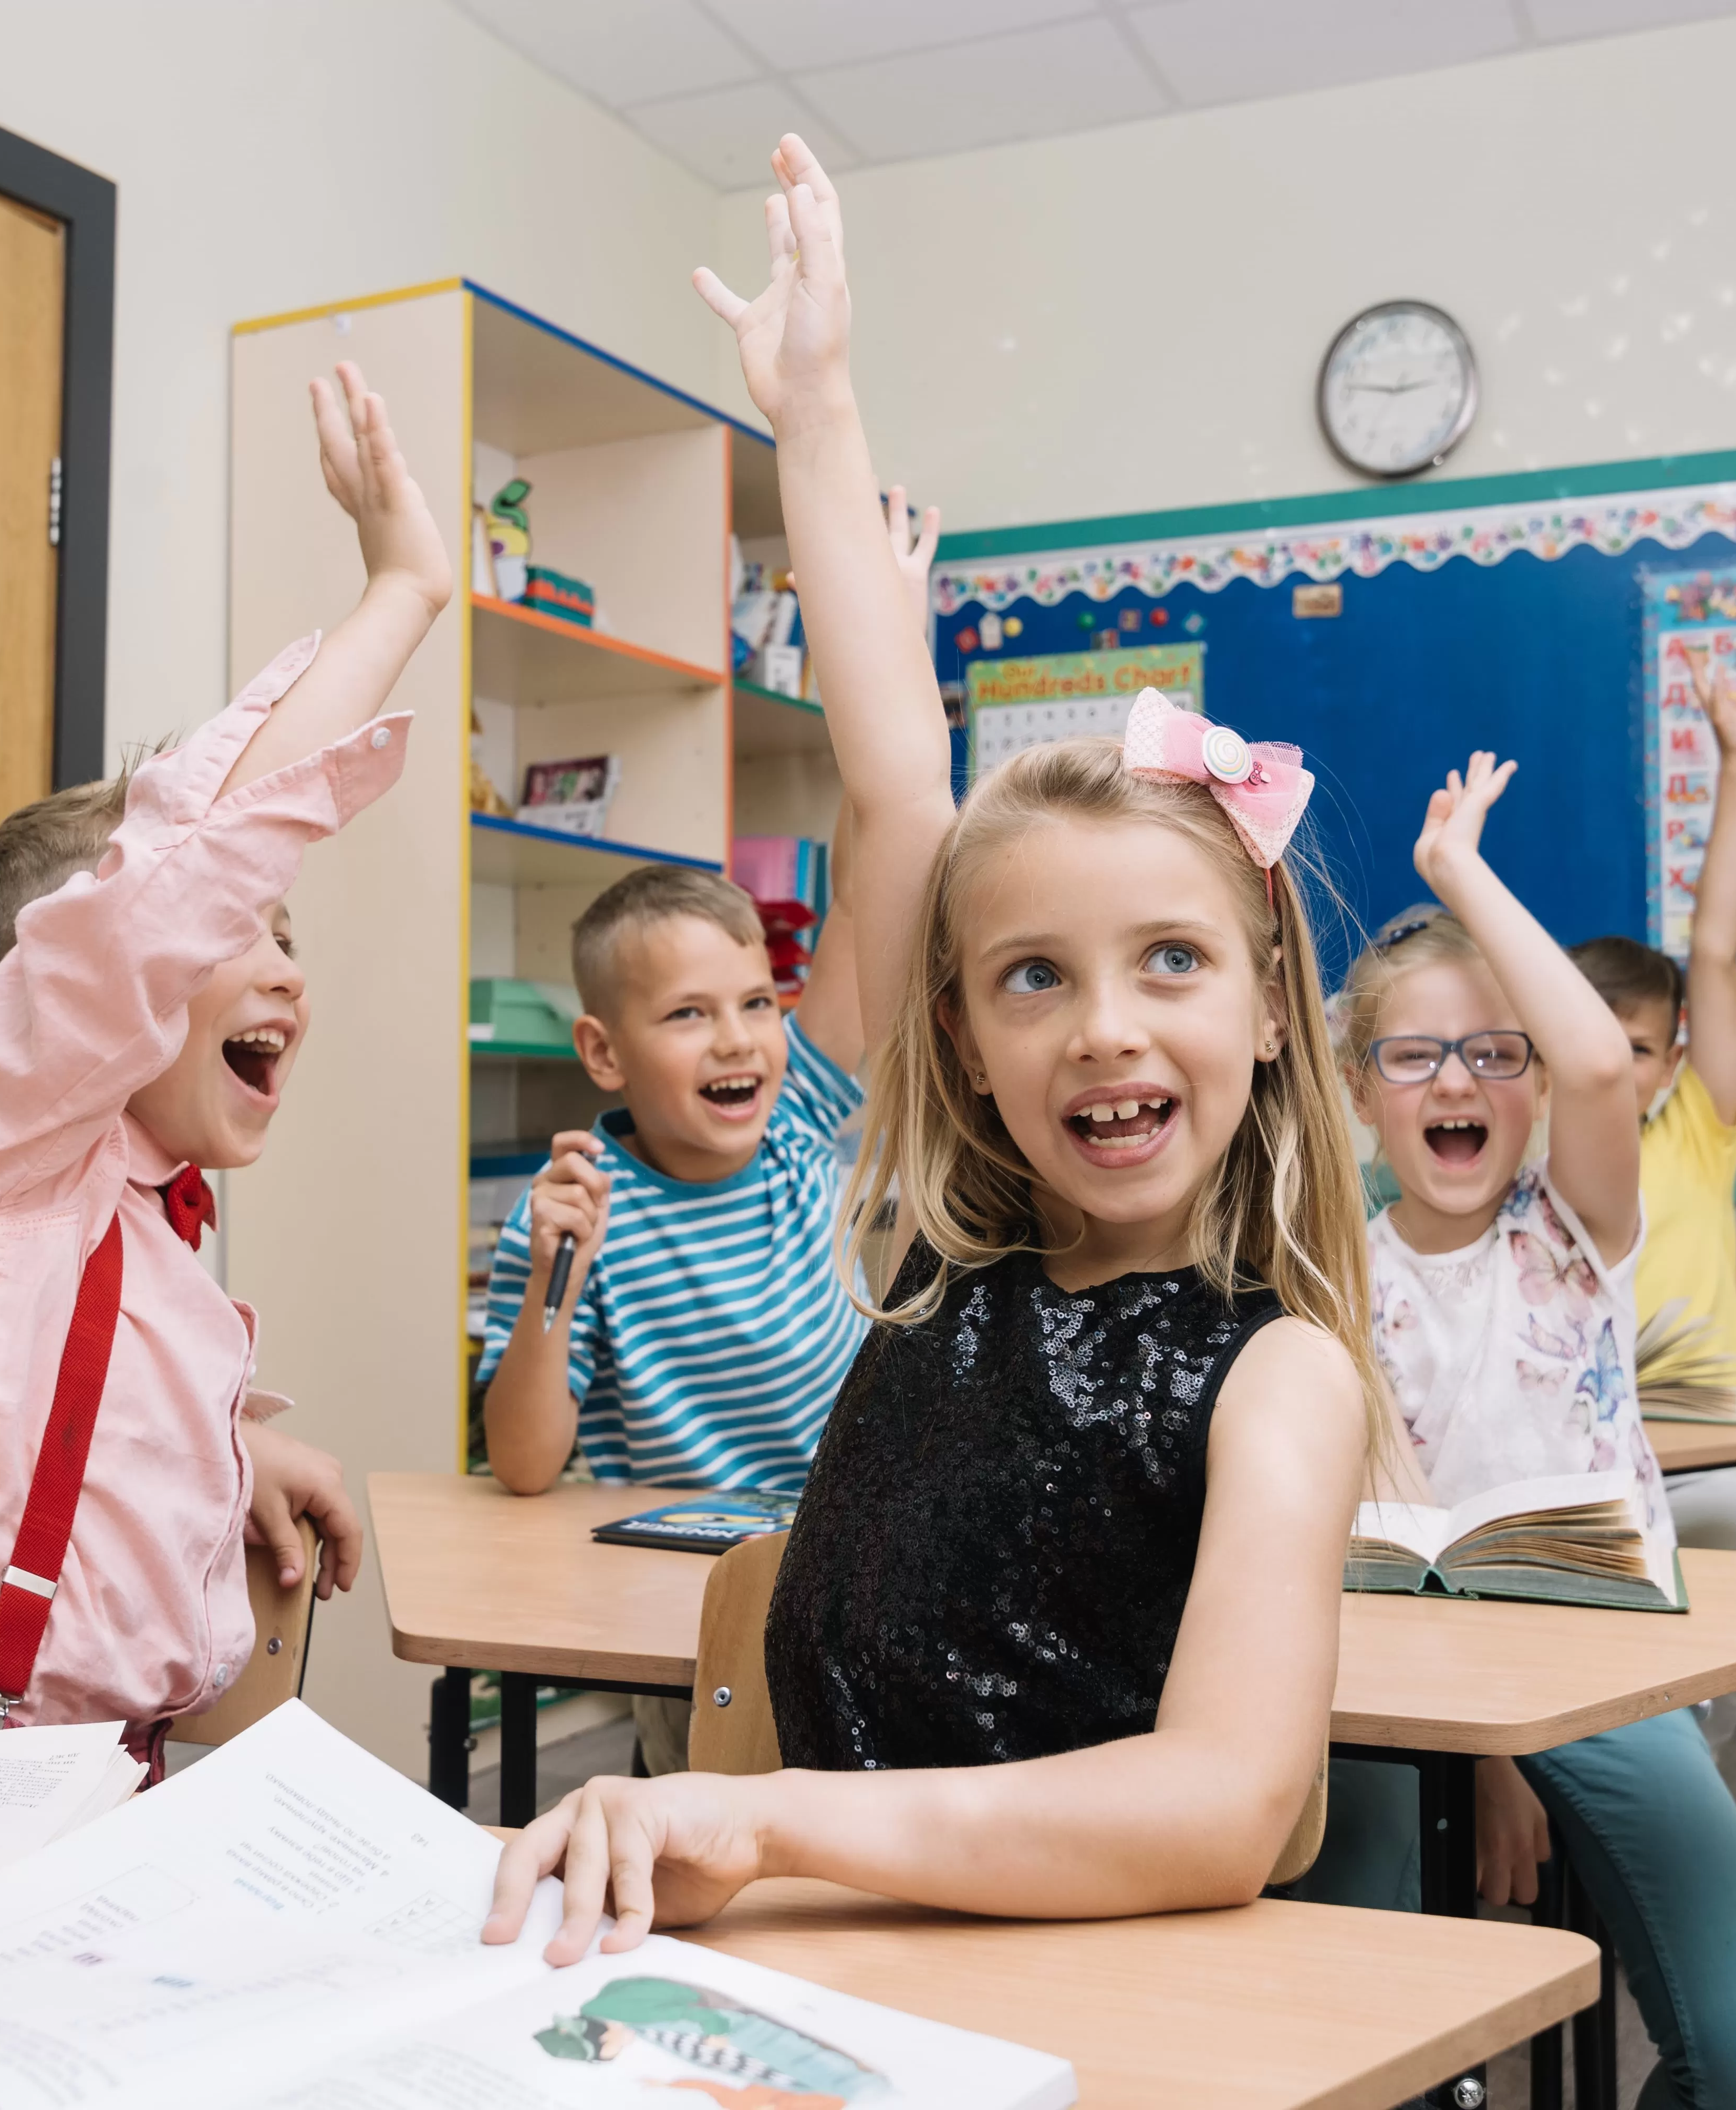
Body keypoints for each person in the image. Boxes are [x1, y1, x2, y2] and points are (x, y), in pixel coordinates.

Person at [482, 133, 1392, 1966]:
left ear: (1272, 1016)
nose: (1103, 1025)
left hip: (1092, 1998)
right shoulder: (923, 1263)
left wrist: (753, 1817)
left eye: (1166, 962)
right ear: (960, 1041)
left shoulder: (1278, 1375)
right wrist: (813, 411)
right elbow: (899, 777)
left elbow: (1219, 1806)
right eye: (1031, 978)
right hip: (830, 1953)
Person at [0, 363, 452, 1777]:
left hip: (98, 1777)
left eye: (290, 938)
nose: (290, 970)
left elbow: (51, 1402)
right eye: (245, 928)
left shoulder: (141, 1219)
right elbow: (177, 879)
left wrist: (233, 1454)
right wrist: (402, 594)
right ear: (81, 1000)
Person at [1317, 763, 1736, 2109]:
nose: (1458, 1080)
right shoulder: (1327, 1276)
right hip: (1381, 1687)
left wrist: (1459, 875)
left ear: (1534, 1089)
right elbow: (1396, 1532)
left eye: (1497, 1052)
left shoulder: (1574, 1234)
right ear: (1364, 1089)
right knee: (1355, 2039)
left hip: (1599, 1668)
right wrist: (1487, 1750)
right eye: (1414, 1053)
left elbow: (1603, 1054)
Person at [476, 493, 937, 1776]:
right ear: (605, 1054)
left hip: (850, 1573)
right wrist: (552, 1289)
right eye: (688, 1016)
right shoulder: (571, 1210)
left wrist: (885, 641)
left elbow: (877, 847)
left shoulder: (800, 1120)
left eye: (754, 1004)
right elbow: (522, 1465)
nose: (738, 1040)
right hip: (685, 1614)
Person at [1572, 637, 1736, 1559]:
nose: (1617, 1069)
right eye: (1592, 1046)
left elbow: (1715, 952)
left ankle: (1698, 1717)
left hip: (1708, 1451)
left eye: (1640, 1050)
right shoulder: (1536, 1154)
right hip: (1581, 1451)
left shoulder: (1698, 1129)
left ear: (1675, 1060)